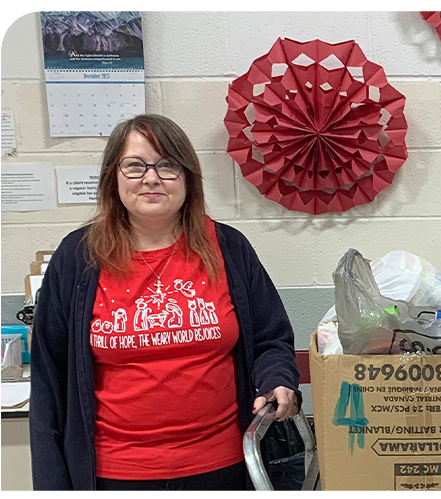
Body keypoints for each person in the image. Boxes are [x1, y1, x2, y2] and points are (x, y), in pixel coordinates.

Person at [30, 114, 301, 491]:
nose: (151, 178)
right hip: (115, 475)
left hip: (223, 467)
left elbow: (270, 339)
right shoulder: (78, 258)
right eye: (135, 165)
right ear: (114, 177)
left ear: (188, 178)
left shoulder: (228, 248)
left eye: (168, 165)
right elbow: (49, 383)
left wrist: (277, 381)